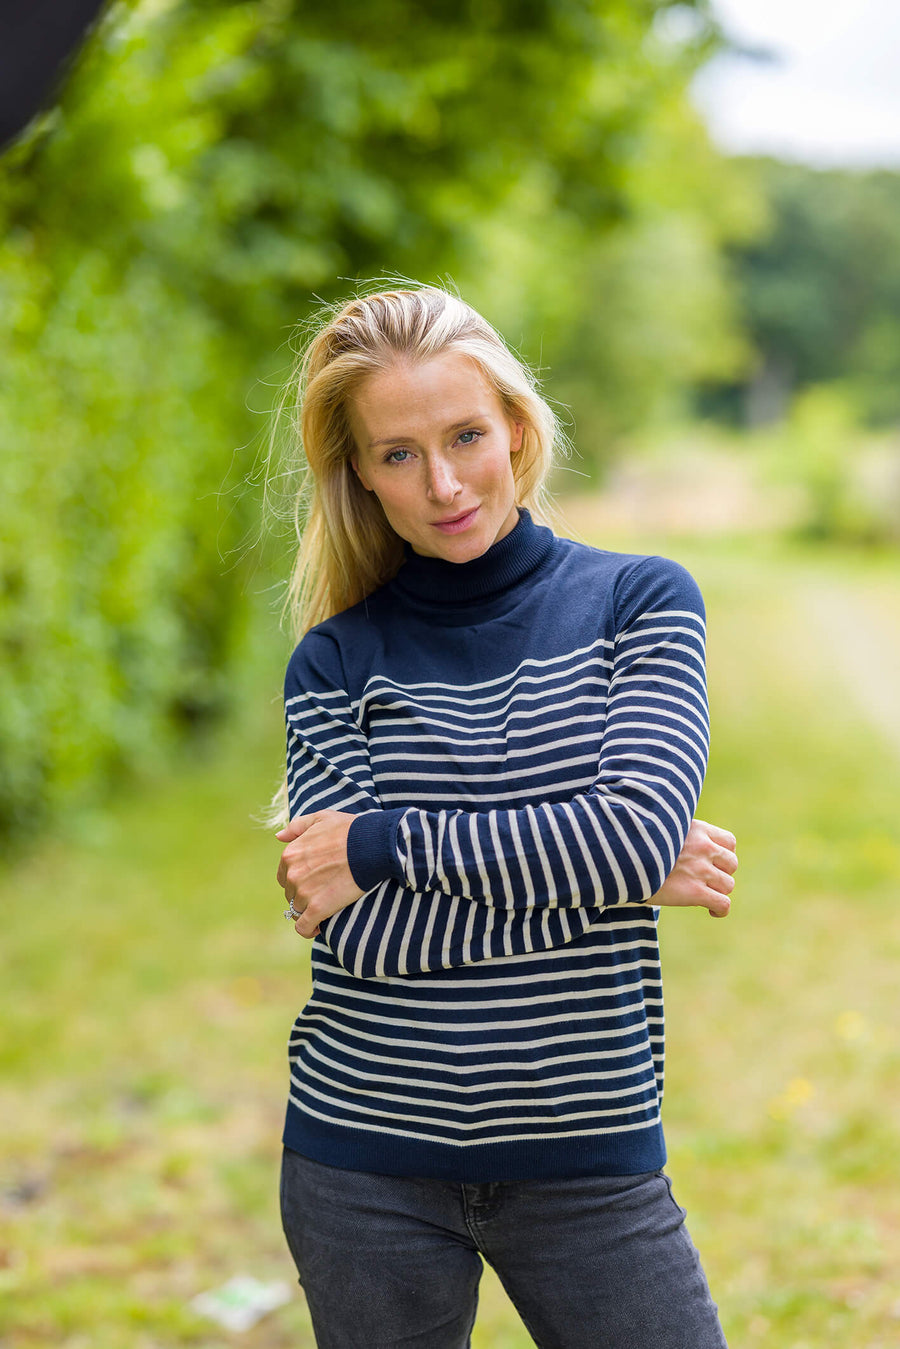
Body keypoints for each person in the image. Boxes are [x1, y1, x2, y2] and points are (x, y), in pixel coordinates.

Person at [272, 284, 737, 1349]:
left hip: (589, 1161)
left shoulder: (642, 603)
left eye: (466, 435)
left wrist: (385, 843)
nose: (442, 483)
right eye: (397, 454)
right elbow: (358, 928)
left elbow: (628, 827)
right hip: (363, 1162)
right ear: (358, 474)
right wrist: (620, 871)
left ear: (516, 429)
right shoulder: (335, 661)